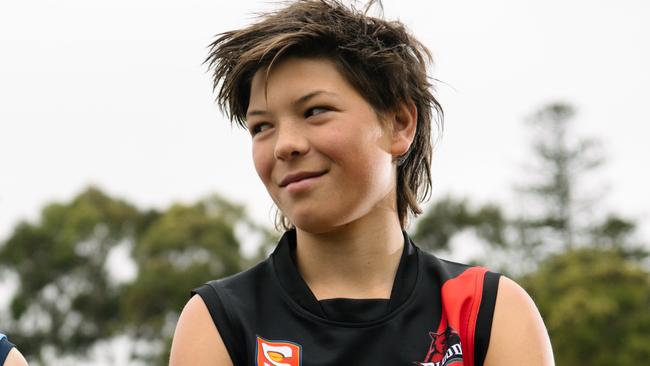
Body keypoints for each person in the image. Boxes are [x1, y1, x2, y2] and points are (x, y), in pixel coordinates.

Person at [169, 1, 554, 365]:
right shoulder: (219, 320)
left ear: (400, 123)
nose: (285, 145)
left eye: (315, 111)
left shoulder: (488, 311)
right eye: (262, 126)